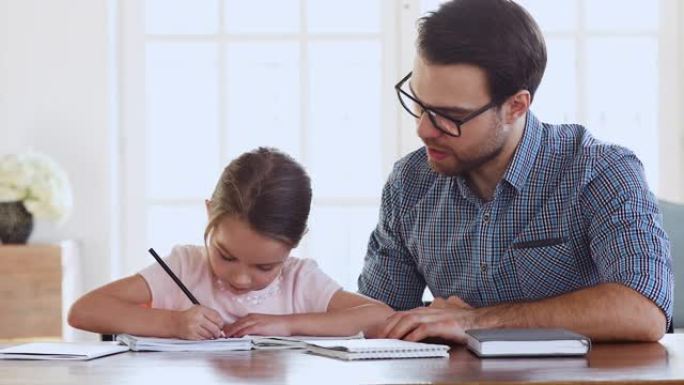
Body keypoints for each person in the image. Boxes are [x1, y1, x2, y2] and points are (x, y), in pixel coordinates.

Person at [358, 0, 672, 343]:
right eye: (419, 103)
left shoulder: (599, 172)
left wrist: (475, 321)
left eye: (449, 115)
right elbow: (377, 318)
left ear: (515, 107)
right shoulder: (409, 184)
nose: (423, 129)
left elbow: (643, 310)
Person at [69, 147, 392, 340]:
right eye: (225, 255)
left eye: (264, 267)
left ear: (295, 243)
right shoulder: (184, 267)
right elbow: (84, 310)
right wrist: (172, 322)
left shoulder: (299, 281)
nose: (240, 278)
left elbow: (379, 316)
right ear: (210, 213)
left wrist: (287, 325)